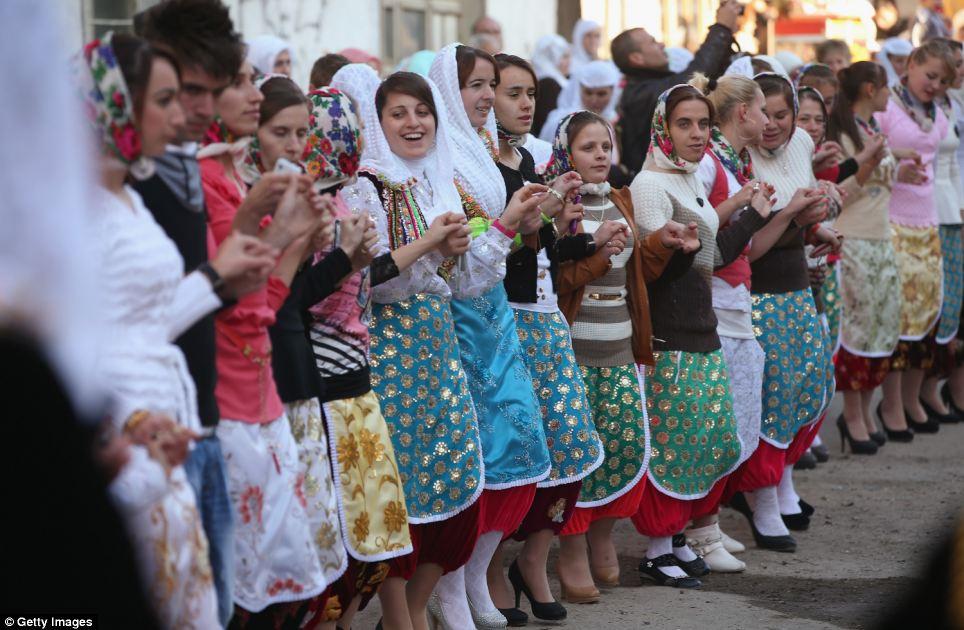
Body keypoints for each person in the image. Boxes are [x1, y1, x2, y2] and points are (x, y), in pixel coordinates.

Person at [81, 31, 250, 628]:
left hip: (168, 430)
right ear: (116, 104)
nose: (182, 116)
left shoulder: (127, 196)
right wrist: (126, 422)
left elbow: (148, 323)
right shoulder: (79, 207)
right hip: (124, 438)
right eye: (166, 100)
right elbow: (74, 341)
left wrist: (218, 277)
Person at [132, 3, 271, 621]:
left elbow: (220, 290)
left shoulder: (189, 164)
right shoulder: (125, 184)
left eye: (208, 91)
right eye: (185, 92)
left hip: (202, 416)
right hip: (146, 434)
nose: (199, 109)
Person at [333, 64, 484, 630]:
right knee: (401, 484)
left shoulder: (441, 179)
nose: (414, 122)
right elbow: (371, 280)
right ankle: (398, 615)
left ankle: (416, 607)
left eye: (422, 111)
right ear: (377, 122)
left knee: (451, 474)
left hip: (440, 345)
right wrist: (431, 242)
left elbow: (467, 279)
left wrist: (504, 226)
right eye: (397, 112)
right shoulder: (368, 184)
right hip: (391, 349)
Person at [200, 57, 332, 626]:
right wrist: (283, 231)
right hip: (223, 397)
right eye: (237, 81)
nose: (253, 94)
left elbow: (264, 304)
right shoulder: (205, 181)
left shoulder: (234, 178)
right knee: (232, 590)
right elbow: (219, 299)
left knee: (276, 586)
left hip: (263, 399)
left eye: (252, 81)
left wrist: (297, 237)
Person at [428, 43, 554, 630]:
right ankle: (449, 586)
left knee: (518, 446)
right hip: (454, 323)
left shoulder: (481, 147)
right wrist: (508, 225)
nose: (483, 96)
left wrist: (528, 223)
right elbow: (455, 262)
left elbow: (494, 251)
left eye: (487, 84)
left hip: (493, 315)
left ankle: (476, 574)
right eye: (473, 85)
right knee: (470, 455)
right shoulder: (437, 156)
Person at [550, 109, 699, 598]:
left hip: (619, 347)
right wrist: (596, 250)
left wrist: (662, 243)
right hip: (572, 351)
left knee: (621, 445)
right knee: (577, 454)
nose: (599, 156)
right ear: (565, 154)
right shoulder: (560, 207)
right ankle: (570, 548)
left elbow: (639, 273)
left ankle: (600, 537)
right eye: (587, 148)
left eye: (604, 147)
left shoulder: (621, 197)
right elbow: (558, 281)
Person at [630, 79, 772, 586]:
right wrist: (674, 247)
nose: (696, 134)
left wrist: (752, 214)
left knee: (706, 440)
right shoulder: (650, 183)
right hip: (669, 333)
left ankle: (675, 540)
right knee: (672, 442)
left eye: (703, 124)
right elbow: (650, 271)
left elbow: (710, 258)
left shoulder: (689, 178)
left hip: (701, 323)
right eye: (683, 124)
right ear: (662, 128)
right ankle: (656, 546)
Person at [489, 53, 606, 625]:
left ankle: (532, 561)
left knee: (569, 447)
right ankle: (493, 568)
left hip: (543, 317)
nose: (522, 103)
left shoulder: (534, 155)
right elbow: (486, 256)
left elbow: (550, 255)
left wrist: (584, 237)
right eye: (510, 92)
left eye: (528, 92)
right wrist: (529, 222)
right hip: (501, 321)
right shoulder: (477, 164)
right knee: (513, 454)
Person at [300, 86, 413, 630]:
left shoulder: (344, 199)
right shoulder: (307, 210)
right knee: (337, 522)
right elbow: (302, 297)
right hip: (325, 383)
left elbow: (367, 278)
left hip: (354, 375)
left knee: (368, 524)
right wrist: (348, 257)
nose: (351, 141)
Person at [689, 72, 801, 571]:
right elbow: (713, 249)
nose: (767, 119)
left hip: (735, 294)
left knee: (732, 418)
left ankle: (705, 523)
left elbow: (746, 247)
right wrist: (754, 214)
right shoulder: (713, 163)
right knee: (714, 420)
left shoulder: (730, 161)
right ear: (742, 115)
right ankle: (697, 530)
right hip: (716, 298)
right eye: (761, 109)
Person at [727, 72, 837, 552]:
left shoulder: (800, 148)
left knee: (805, 388)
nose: (771, 124)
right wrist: (795, 215)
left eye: (782, 115)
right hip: (757, 295)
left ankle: (783, 485)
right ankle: (763, 501)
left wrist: (818, 227)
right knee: (768, 399)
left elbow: (798, 214)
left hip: (796, 289)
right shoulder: (735, 157)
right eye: (763, 113)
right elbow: (745, 251)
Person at [876, 40, 957, 440]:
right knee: (898, 317)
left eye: (943, 80)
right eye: (930, 76)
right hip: (892, 221)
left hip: (928, 221)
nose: (935, 84)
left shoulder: (936, 108)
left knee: (926, 314)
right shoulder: (886, 105)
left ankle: (910, 401)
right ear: (910, 64)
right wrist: (895, 167)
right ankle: (890, 404)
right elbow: (868, 156)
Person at [825, 61, 904, 447]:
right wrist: (868, 163)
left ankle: (868, 411)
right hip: (852, 237)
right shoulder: (840, 132)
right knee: (856, 325)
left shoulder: (872, 128)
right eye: (887, 87)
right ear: (870, 89)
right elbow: (837, 193)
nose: (891, 93)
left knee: (881, 324)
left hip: (879, 236)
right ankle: (852, 416)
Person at [612, 0, 741, 175]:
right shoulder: (640, 94)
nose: (662, 45)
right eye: (652, 42)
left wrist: (726, 32)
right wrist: (721, 29)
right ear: (637, 58)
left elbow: (707, 76)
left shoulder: (651, 83)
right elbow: (693, 79)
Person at [921, 39, 964, 421]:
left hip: (953, 207)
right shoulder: (927, 105)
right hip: (931, 208)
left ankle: (934, 387)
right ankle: (925, 390)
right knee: (936, 301)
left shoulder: (954, 103)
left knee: (952, 304)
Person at [539, 60, 622, 144]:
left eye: (601, 94)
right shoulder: (563, 122)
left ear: (613, 93)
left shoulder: (617, 120)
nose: (594, 100)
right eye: (588, 93)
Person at [531, 34, 571, 137]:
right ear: (551, 58)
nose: (569, 62)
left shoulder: (559, 80)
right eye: (564, 57)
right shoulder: (548, 85)